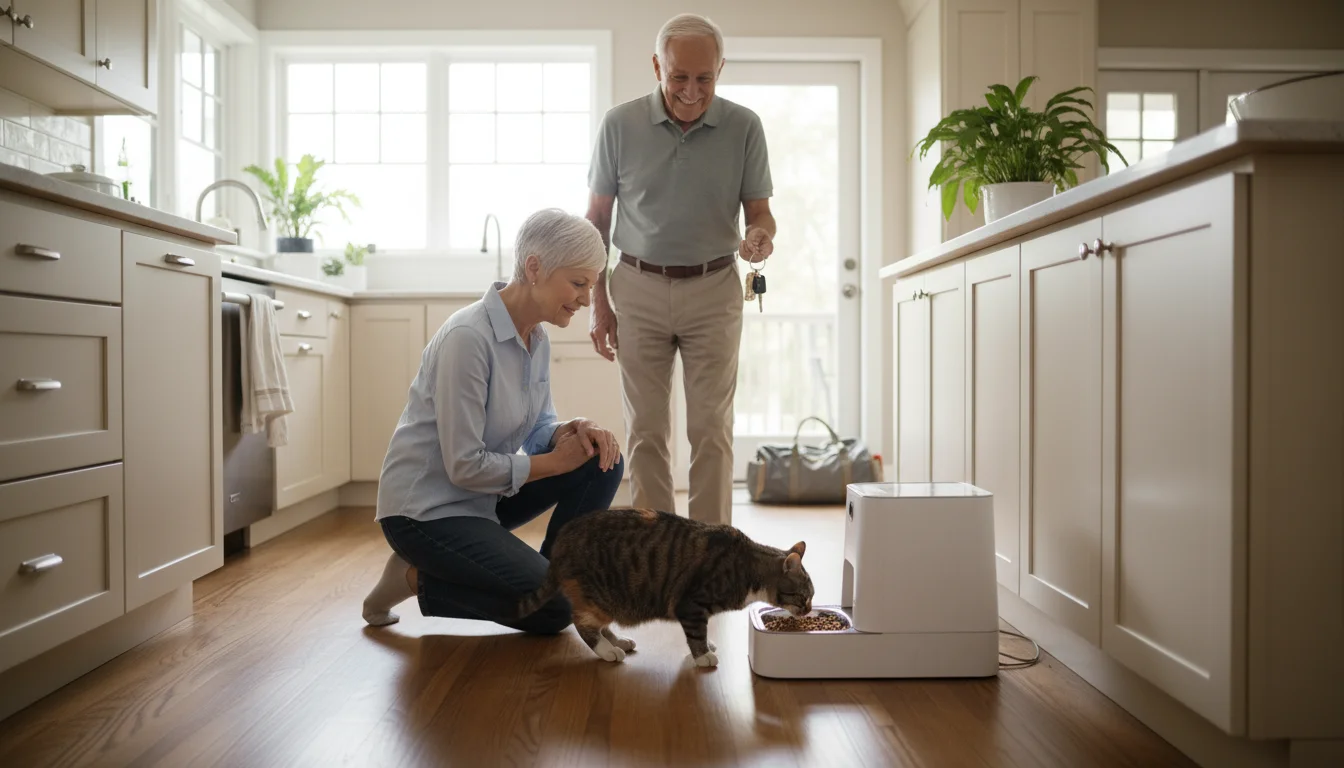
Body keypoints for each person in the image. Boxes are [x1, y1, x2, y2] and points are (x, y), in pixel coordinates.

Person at [361, 208, 625, 633]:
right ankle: (410, 577)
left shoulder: (535, 337)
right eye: (578, 283)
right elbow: (464, 465)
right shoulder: (468, 338)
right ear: (534, 267)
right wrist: (557, 462)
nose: (584, 299)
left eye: (591, 287)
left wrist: (571, 431)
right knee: (557, 611)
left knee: (602, 458)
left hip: (481, 500)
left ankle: (549, 577)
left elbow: (540, 428)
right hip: (426, 513)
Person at [585, 13, 776, 525]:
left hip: (715, 289)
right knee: (646, 430)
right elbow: (597, 223)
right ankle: (657, 554)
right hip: (636, 287)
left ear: (720, 69)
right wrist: (599, 305)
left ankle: (711, 557)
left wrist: (761, 236)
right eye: (679, 78)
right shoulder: (618, 125)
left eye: (705, 78)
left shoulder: (744, 126)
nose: (692, 92)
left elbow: (760, 213)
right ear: (656, 67)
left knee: (711, 429)